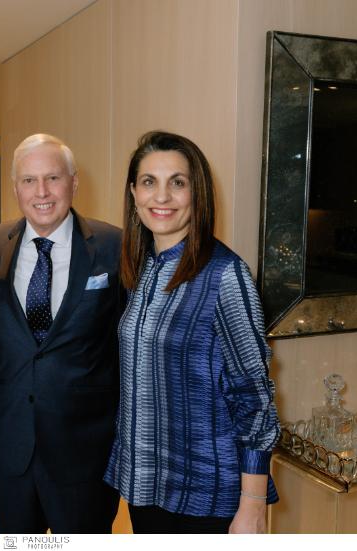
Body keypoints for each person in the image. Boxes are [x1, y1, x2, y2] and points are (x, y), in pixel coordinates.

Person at [104, 131, 280, 534]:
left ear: (197, 193)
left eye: (177, 182)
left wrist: (253, 506)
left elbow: (254, 398)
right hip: (146, 483)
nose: (161, 196)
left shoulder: (226, 275)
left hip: (205, 493)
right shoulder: (141, 267)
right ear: (133, 193)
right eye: (149, 182)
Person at [0, 133, 122, 533]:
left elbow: (132, 341)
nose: (41, 192)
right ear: (15, 187)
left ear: (73, 182)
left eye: (53, 178)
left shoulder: (115, 245)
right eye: (29, 180)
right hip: (11, 444)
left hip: (86, 448)